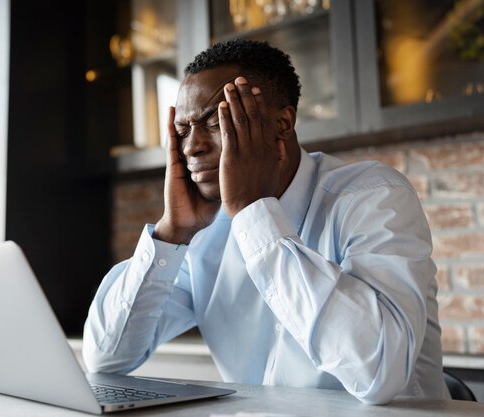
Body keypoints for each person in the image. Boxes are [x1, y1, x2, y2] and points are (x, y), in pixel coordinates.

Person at [82, 39, 449, 405]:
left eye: (215, 121)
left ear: (282, 123)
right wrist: (171, 233)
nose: (192, 147)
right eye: (181, 131)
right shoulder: (204, 231)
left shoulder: (373, 196)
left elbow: (379, 373)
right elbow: (107, 356)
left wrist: (253, 211)